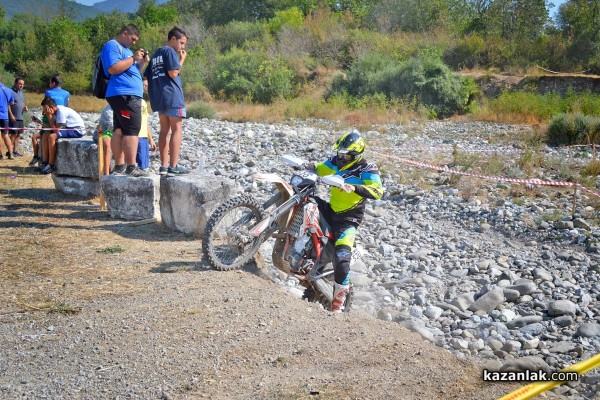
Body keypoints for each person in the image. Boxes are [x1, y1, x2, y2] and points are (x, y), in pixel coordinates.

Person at [303, 131, 384, 312]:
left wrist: (354, 187)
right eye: (340, 153)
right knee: (306, 202)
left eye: (346, 155)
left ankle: (338, 305)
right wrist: (305, 165)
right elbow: (321, 168)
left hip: (348, 220)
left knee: (341, 258)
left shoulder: (368, 169)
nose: (342, 157)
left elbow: (378, 191)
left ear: (356, 155)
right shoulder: (337, 160)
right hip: (331, 210)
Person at [100, 24, 150, 177]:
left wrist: (141, 63)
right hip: (125, 95)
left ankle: (120, 165)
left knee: (119, 130)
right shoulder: (112, 46)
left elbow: (130, 71)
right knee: (132, 130)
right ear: (124, 33)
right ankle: (131, 167)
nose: (134, 42)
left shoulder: (126, 51)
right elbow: (113, 69)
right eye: (132, 38)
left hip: (125, 95)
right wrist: (133, 58)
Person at [144, 26, 188, 175]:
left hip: (159, 97)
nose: (182, 47)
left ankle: (163, 166)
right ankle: (173, 167)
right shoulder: (170, 51)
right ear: (173, 39)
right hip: (172, 96)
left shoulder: (157, 53)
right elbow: (173, 72)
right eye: (181, 43)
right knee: (177, 129)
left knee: (164, 130)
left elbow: (146, 75)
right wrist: (181, 60)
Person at [30, 75, 70, 166]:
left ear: (53, 83)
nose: (49, 84)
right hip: (61, 118)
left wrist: (44, 116)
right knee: (43, 136)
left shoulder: (48, 92)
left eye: (50, 83)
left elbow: (46, 105)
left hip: (49, 118)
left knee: (44, 137)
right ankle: (43, 161)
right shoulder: (67, 93)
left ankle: (44, 162)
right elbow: (66, 106)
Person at [38, 97, 85, 174]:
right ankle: (44, 162)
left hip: (77, 130)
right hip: (69, 128)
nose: (44, 111)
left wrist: (49, 116)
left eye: (45, 109)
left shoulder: (61, 111)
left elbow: (55, 130)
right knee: (45, 135)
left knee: (52, 137)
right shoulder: (55, 111)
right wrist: (40, 121)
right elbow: (52, 127)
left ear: (51, 107)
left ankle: (51, 164)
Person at [137, 79, 156, 170]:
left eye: (146, 86)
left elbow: (145, 122)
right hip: (135, 136)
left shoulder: (144, 103)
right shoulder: (132, 101)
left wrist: (150, 139)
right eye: (143, 85)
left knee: (144, 166)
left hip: (144, 137)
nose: (144, 88)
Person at [9, 77, 28, 157]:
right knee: (13, 134)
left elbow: (21, 103)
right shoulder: (10, 91)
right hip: (14, 117)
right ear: (15, 83)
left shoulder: (21, 92)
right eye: (20, 84)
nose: (21, 85)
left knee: (18, 135)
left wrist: (25, 107)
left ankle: (15, 151)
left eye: (23, 84)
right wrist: (11, 115)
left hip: (20, 117)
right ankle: (9, 151)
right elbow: (8, 105)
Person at [94, 104, 113, 176]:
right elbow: (112, 125)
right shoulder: (108, 111)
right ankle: (106, 172)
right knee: (108, 145)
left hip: (112, 131)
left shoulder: (122, 108)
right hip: (103, 132)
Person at [0, 76, 15, 160]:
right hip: (5, 116)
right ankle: (11, 153)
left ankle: (1, 155)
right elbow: (11, 103)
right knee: (5, 135)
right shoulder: (8, 90)